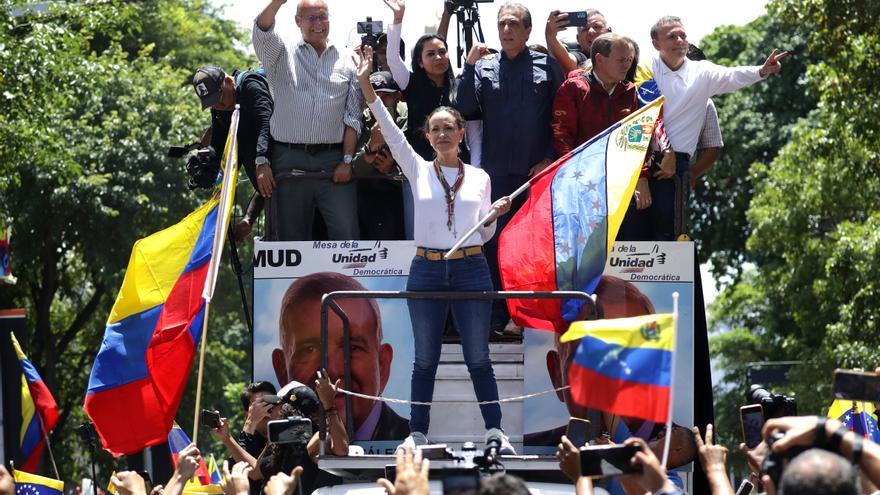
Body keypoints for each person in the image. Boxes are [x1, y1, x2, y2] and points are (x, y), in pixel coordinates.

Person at [355, 45, 515, 454]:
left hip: (471, 268)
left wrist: (496, 214)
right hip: (426, 268)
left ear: (462, 134)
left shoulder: (480, 178)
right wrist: (365, 86)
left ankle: (495, 430)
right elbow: (389, 129)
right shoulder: (416, 168)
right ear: (427, 137)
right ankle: (418, 432)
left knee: (478, 356)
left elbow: (482, 234)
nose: (442, 134)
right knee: (424, 357)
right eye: (435, 129)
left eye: (450, 128)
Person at [456, 1, 564, 335]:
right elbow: (465, 109)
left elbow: (561, 117)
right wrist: (469, 66)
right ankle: (494, 320)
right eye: (502, 24)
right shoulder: (484, 65)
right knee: (494, 245)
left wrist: (548, 156)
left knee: (533, 247)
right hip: (496, 174)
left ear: (528, 30)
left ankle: (527, 319)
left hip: (537, 173)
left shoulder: (548, 65)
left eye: (514, 24)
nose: (507, 30)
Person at [646, 15, 787, 240]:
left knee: (670, 235)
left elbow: (732, 76)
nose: (680, 41)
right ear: (656, 44)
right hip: (638, 162)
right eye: (672, 36)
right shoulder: (644, 68)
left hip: (676, 168)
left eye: (683, 35)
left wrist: (762, 70)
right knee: (633, 235)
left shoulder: (702, 71)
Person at [253, 0, 362, 241]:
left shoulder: (349, 60)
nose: (318, 24)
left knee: (347, 235)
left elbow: (352, 117)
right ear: (297, 22)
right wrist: (278, 2)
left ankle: (344, 281)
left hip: (334, 160)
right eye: (311, 18)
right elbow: (261, 31)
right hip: (289, 158)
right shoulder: (280, 54)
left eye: (322, 16)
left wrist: (346, 160)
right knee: (291, 237)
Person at [272, 271, 410, 442]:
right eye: (309, 350)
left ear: (382, 364)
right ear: (281, 370)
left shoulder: (412, 442)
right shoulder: (279, 446)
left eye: (352, 348)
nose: (333, 370)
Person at [191, 66, 274, 242]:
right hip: (268, 190)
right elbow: (218, 145)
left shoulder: (251, 86)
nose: (218, 105)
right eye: (211, 102)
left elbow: (266, 122)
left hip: (286, 171)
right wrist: (206, 164)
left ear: (229, 82)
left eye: (219, 97)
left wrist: (262, 160)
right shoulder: (220, 109)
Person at [351, 71, 407, 240]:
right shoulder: (360, 118)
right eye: (375, 98)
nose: (380, 105)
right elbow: (353, 168)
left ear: (397, 97)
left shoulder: (405, 115)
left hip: (399, 191)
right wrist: (371, 147)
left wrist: (392, 169)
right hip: (366, 191)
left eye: (385, 97)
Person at [544, 9, 611, 74]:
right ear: (578, 39)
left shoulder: (620, 52)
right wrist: (550, 35)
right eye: (585, 29)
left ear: (608, 32)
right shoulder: (581, 58)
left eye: (597, 27)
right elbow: (569, 64)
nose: (591, 31)